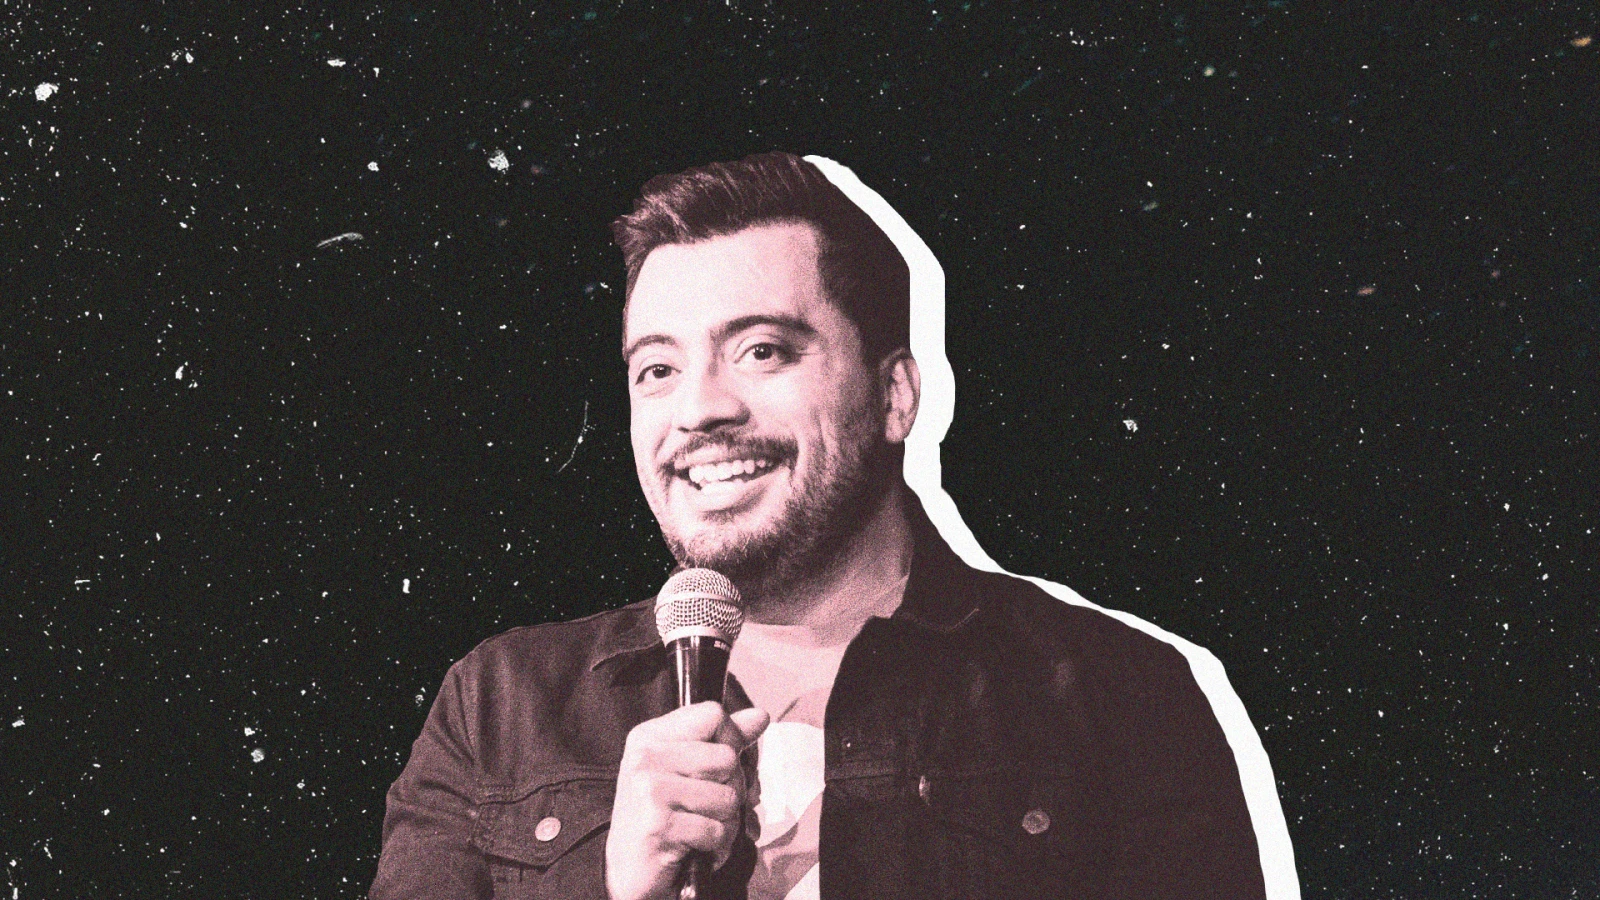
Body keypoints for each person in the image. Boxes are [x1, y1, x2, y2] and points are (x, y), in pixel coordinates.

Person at [370, 152, 1273, 900]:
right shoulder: (499, 708)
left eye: (761, 351)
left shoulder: (1119, 699)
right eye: (657, 370)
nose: (700, 410)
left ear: (894, 396)